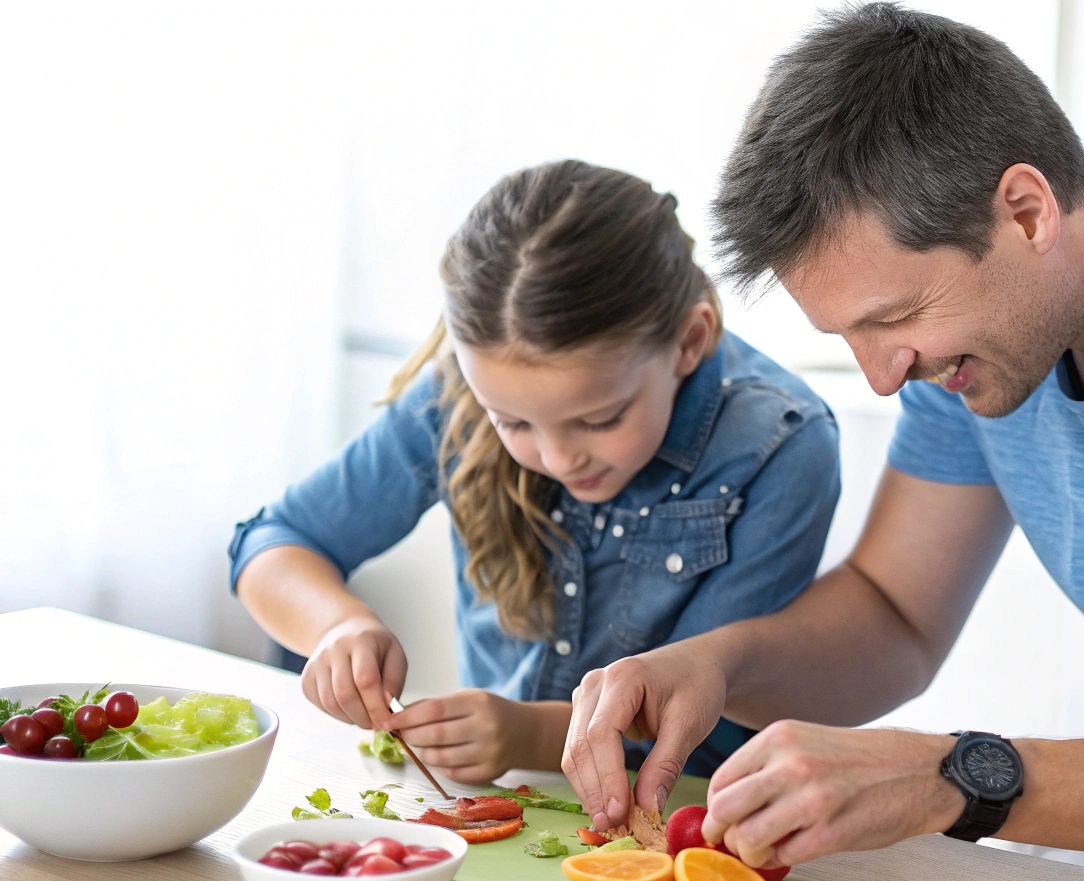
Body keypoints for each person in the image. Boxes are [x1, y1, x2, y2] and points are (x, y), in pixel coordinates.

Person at [561, 4, 1084, 881]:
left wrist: (948, 779)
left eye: (894, 318)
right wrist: (715, 662)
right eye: (850, 337)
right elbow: (897, 616)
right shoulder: (977, 349)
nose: (881, 377)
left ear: (1024, 211)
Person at [230, 160, 839, 785]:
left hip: (687, 809)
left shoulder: (780, 443)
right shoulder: (455, 395)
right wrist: (339, 627)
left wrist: (527, 734)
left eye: (600, 419)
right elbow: (274, 541)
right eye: (512, 423)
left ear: (689, 342)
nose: (557, 458)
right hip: (509, 798)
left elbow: (709, 709)